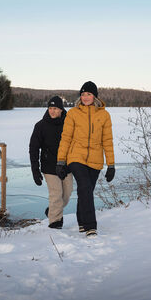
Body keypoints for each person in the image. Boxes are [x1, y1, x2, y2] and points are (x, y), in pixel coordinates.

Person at [56, 81, 115, 237]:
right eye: (83, 94)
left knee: (85, 191)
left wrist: (111, 165)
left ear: (94, 96)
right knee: (85, 187)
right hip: (76, 157)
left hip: (95, 159)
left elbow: (107, 141)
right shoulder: (73, 113)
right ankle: (90, 226)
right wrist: (61, 161)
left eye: (88, 94)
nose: (85, 97)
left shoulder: (104, 115)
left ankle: (81, 221)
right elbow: (66, 138)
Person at [29, 96, 73, 229]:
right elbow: (33, 149)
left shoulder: (68, 124)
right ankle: (55, 223)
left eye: (55, 108)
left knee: (66, 195)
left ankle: (51, 210)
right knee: (56, 194)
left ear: (61, 110)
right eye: (50, 108)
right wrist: (35, 171)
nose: (52, 111)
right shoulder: (40, 126)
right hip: (49, 167)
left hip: (66, 166)